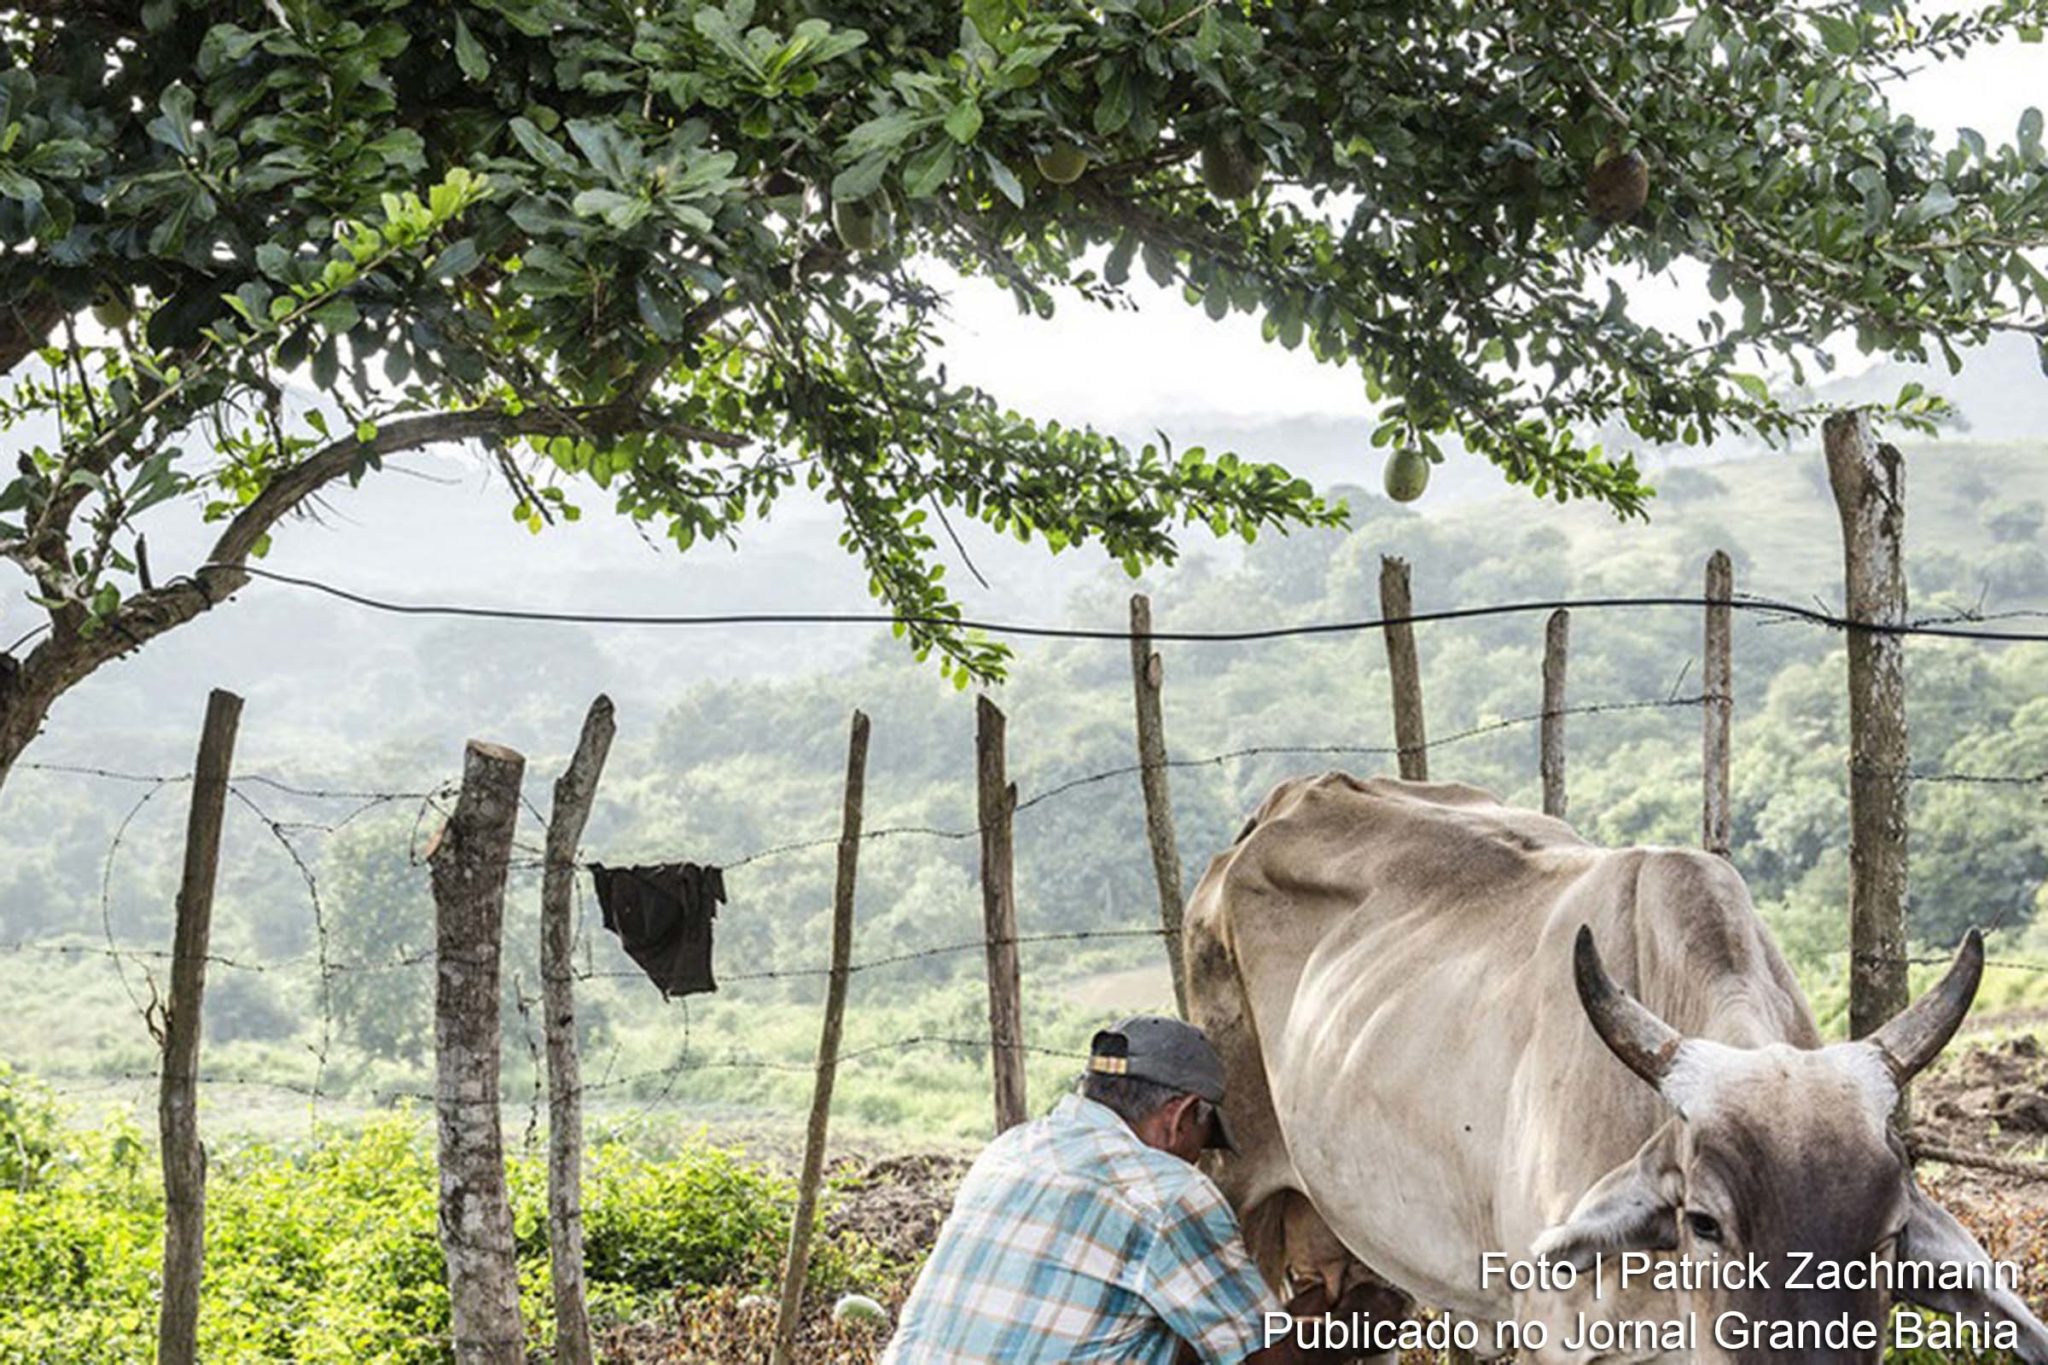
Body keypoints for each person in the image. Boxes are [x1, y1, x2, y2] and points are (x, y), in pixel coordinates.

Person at [881, 1015, 1398, 1363]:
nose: (1200, 1156)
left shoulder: (1012, 1149)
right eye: (1206, 1138)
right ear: (1181, 1116)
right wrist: (1369, 1316)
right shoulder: (1167, 1193)